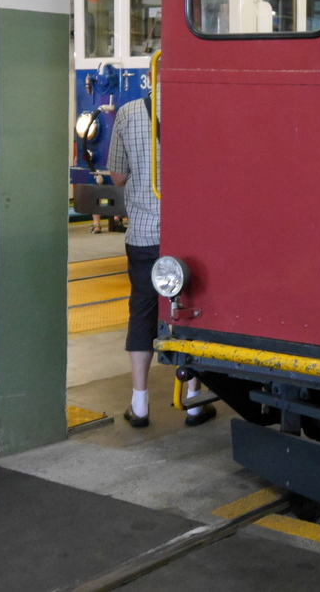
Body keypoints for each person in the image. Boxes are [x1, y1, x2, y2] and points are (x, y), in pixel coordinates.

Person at [108, 87, 216, 428]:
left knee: (142, 311)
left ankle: (139, 405)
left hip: (144, 233)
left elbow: (118, 177)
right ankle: (194, 402)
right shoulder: (200, 106)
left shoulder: (127, 112)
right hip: (191, 233)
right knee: (193, 310)